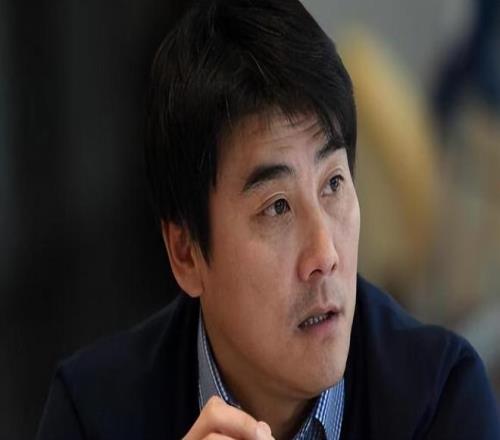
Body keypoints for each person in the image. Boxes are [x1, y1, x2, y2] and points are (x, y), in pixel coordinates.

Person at [37, 0, 500, 439]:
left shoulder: (441, 400)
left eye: (333, 184)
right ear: (186, 253)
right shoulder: (91, 414)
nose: (325, 255)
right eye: (277, 206)